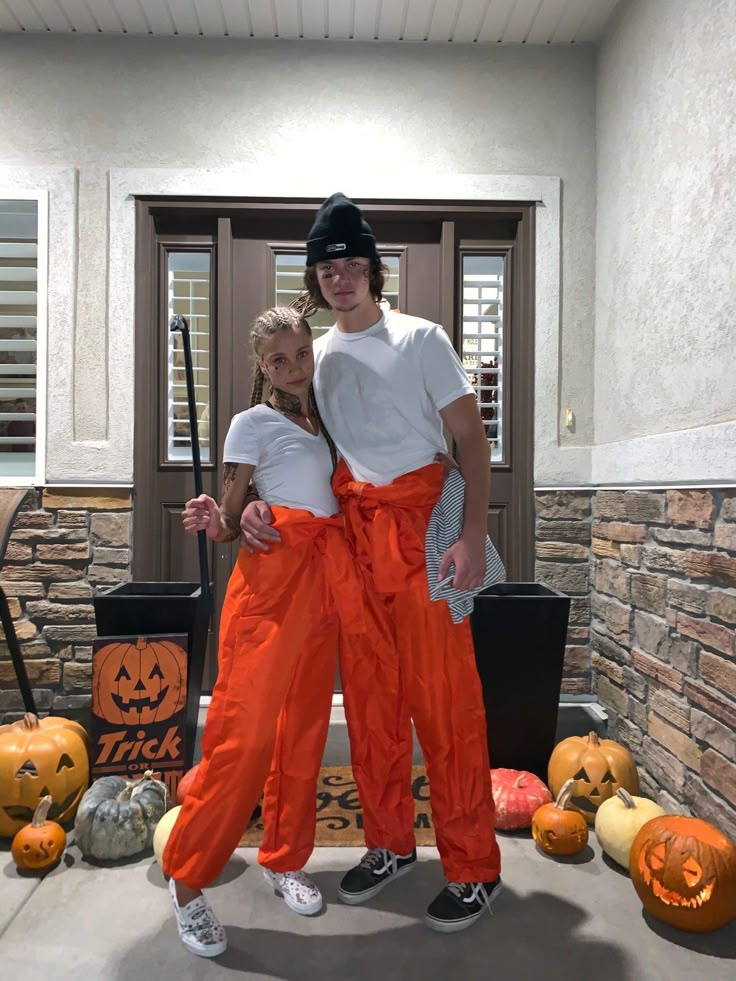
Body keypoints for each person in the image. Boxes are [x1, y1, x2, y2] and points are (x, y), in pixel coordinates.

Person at [240, 193, 502, 934]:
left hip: (423, 537)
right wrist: (252, 502)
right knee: (372, 705)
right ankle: (390, 842)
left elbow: (472, 442)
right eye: (329, 264)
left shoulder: (422, 338)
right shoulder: (314, 358)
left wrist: (473, 533)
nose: (342, 275)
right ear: (316, 274)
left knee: (446, 705)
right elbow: (287, 446)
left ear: (373, 269)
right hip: (354, 544)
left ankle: (474, 866)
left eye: (354, 262)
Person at [162, 307, 364, 958]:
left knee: (301, 738)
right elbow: (228, 515)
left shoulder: (329, 420)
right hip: (270, 592)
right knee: (241, 741)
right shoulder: (251, 423)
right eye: (279, 359)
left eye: (302, 353)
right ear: (261, 366)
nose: (295, 367)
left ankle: (283, 856)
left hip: (323, 595)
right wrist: (220, 516)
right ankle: (188, 880)